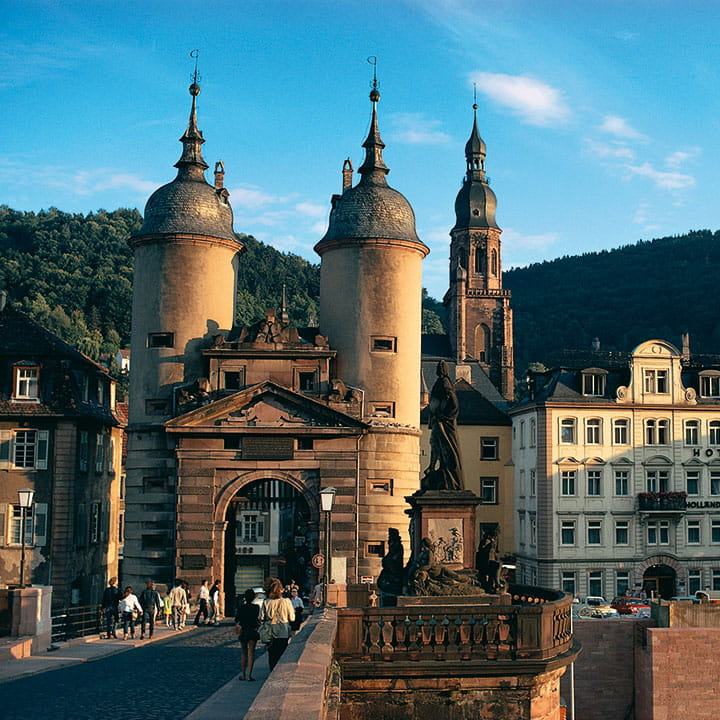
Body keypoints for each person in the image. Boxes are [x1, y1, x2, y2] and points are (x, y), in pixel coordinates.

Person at [422, 360, 464, 491]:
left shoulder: (445, 382)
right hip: (438, 421)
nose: (439, 369)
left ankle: (439, 468)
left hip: (443, 422)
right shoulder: (441, 382)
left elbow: (452, 400)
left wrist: (445, 415)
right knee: (435, 443)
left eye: (441, 367)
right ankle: (433, 466)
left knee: (442, 445)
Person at [261, 577, 295, 670]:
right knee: (282, 655)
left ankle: (271, 674)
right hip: (283, 632)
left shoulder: (266, 602)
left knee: (272, 656)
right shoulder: (286, 601)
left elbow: (261, 617)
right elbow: (292, 618)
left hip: (270, 632)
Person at [235, 588, 261, 681]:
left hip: (244, 631)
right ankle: (249, 675)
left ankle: (243, 674)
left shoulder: (241, 607)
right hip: (252, 631)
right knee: (251, 653)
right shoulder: (256, 607)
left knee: (243, 653)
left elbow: (237, 619)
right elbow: (257, 619)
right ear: (253, 597)